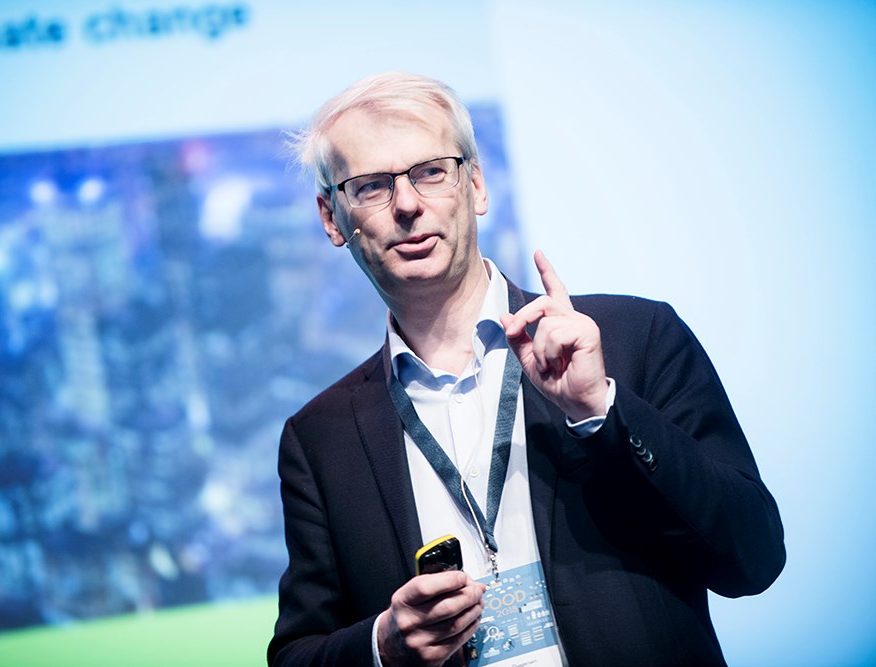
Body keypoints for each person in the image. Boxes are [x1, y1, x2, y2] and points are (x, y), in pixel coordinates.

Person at [268, 72, 785, 667]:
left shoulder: (633, 338)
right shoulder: (321, 437)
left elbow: (754, 557)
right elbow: (295, 655)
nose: (408, 204)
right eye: (371, 186)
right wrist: (383, 644)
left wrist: (603, 411)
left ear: (477, 184)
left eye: (431, 171)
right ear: (333, 219)